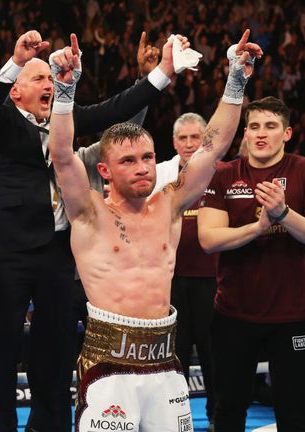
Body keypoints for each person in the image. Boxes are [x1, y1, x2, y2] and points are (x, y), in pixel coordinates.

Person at [0, 29, 188, 432]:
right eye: (38, 79)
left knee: (53, 355)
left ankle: (48, 427)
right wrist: (17, 60)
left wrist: (161, 74)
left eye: (51, 80)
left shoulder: (64, 121)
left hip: (57, 254)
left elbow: (116, 110)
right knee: (1, 356)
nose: (48, 85)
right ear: (16, 92)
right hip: (10, 254)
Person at [47, 32, 261, 430]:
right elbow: (61, 155)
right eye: (129, 161)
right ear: (105, 171)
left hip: (165, 364)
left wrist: (236, 81)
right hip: (107, 367)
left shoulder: (169, 204)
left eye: (147, 156)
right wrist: (64, 90)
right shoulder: (89, 213)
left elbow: (212, 149)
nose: (143, 166)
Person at [197, 96, 305, 431]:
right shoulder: (224, 175)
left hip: (293, 315)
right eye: (255, 126)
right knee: (228, 410)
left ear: (286, 133)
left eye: (271, 126)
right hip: (233, 313)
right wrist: (259, 227)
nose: (262, 134)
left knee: (293, 412)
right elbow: (208, 239)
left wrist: (285, 215)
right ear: (244, 133)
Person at [152, 112, 218, 426]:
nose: (190, 144)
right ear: (174, 141)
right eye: (183, 138)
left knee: (213, 355)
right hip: (171, 281)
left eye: (196, 137)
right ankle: (172, 420)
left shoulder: (221, 172)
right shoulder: (157, 174)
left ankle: (219, 417)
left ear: (206, 140)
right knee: (172, 356)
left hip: (213, 280)